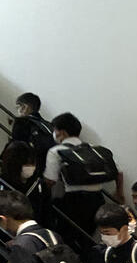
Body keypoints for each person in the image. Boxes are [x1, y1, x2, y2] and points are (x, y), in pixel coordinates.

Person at [44, 112, 124, 242]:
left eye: (55, 130)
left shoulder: (56, 151)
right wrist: (119, 193)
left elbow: (50, 181)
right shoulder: (94, 149)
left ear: (62, 132)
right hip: (98, 201)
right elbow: (119, 173)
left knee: (66, 238)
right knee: (87, 238)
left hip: (73, 202)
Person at [0, 141, 50, 224]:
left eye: (32, 164)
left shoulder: (39, 184)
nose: (31, 168)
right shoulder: (3, 183)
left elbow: (46, 213)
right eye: (26, 164)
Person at [9, 92, 54, 171]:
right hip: (46, 167)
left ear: (24, 107)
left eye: (18, 107)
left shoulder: (21, 122)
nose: (18, 110)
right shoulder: (49, 125)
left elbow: (16, 147)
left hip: (28, 167)